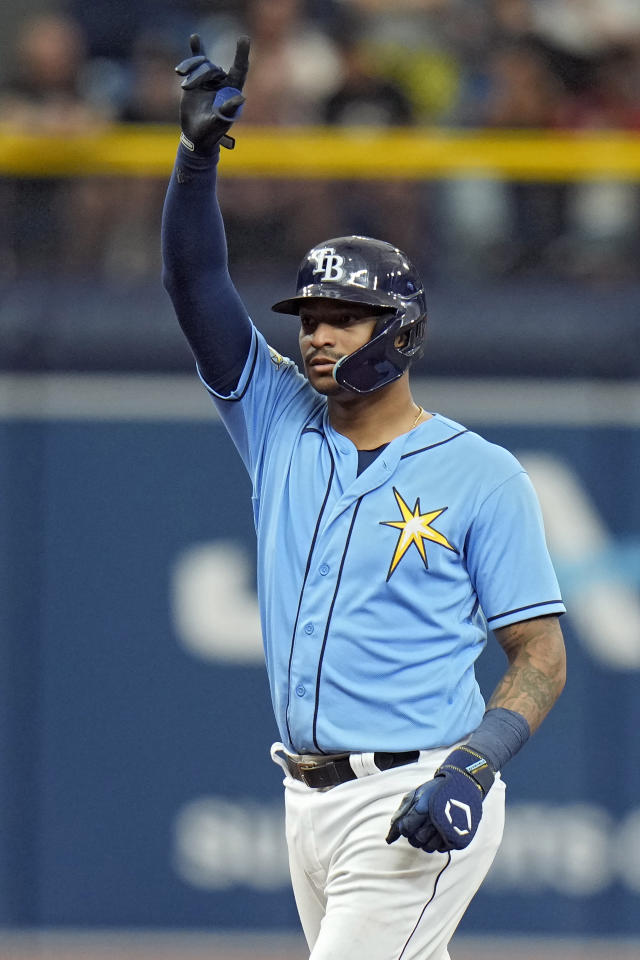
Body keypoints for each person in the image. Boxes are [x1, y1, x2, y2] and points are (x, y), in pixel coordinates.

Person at [161, 35, 567, 960]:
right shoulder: (277, 418)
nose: (315, 337)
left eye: (341, 318)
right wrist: (192, 164)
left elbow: (541, 655)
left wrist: (476, 764)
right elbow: (195, 283)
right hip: (303, 798)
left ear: (401, 329)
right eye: (307, 320)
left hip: (416, 795)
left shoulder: (481, 473)